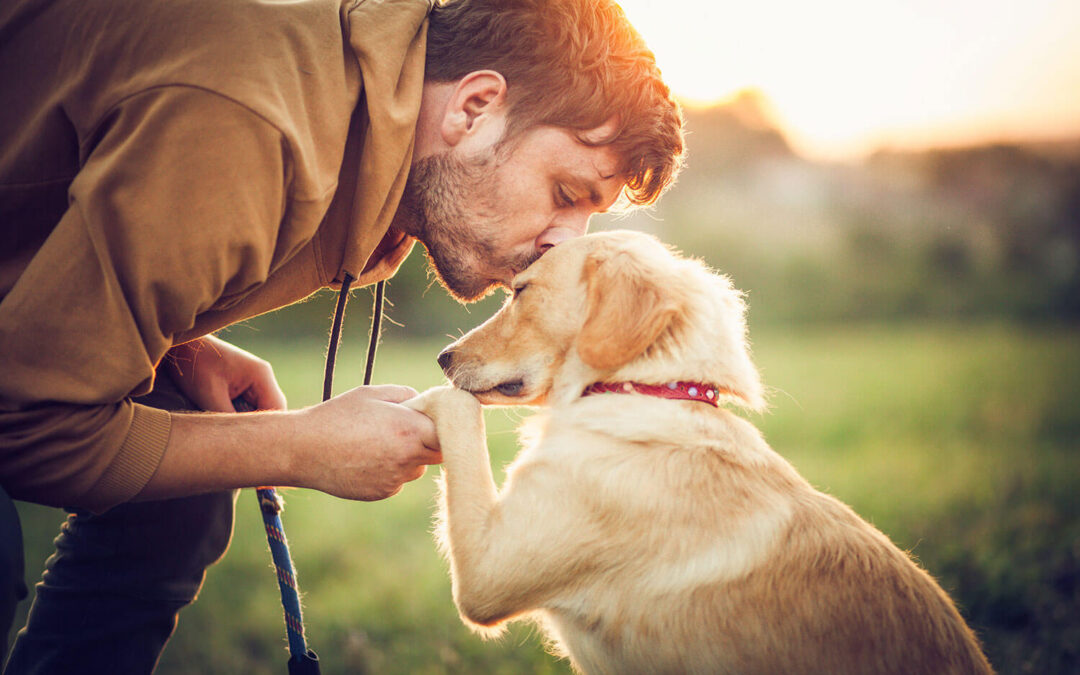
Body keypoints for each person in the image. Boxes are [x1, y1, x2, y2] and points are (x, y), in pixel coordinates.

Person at [0, 0, 684, 670]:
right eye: (566, 194)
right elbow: (25, 424)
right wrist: (298, 446)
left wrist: (184, 343)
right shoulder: (252, 126)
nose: (564, 244)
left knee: (182, 494)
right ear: (473, 106)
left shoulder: (373, 133)